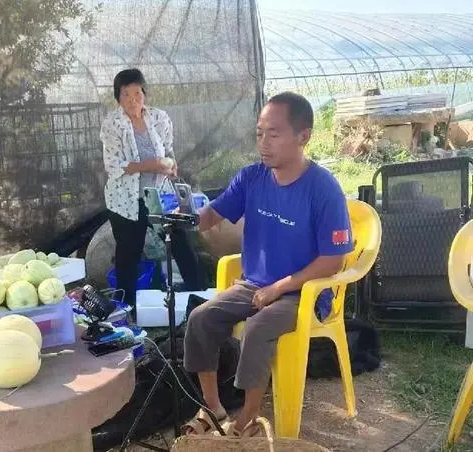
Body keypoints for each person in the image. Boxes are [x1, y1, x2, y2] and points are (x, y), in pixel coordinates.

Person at [182, 92, 354, 436]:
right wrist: (184, 220)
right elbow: (214, 213)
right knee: (201, 319)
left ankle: (247, 416)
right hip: (254, 284)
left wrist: (282, 286)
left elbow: (334, 259)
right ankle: (213, 406)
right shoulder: (252, 178)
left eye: (273, 134)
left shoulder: (324, 189)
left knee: (259, 327)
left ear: (302, 136)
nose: (263, 143)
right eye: (259, 133)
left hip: (303, 293)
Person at [100, 68, 206, 312]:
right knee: (128, 253)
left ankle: (199, 297)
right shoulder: (112, 125)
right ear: (118, 98)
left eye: (137, 92)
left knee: (181, 243)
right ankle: (126, 309)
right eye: (125, 94)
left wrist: (170, 164)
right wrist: (154, 165)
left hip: (159, 194)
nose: (132, 99)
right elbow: (114, 167)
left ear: (144, 94)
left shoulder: (159, 118)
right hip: (126, 200)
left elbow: (168, 150)